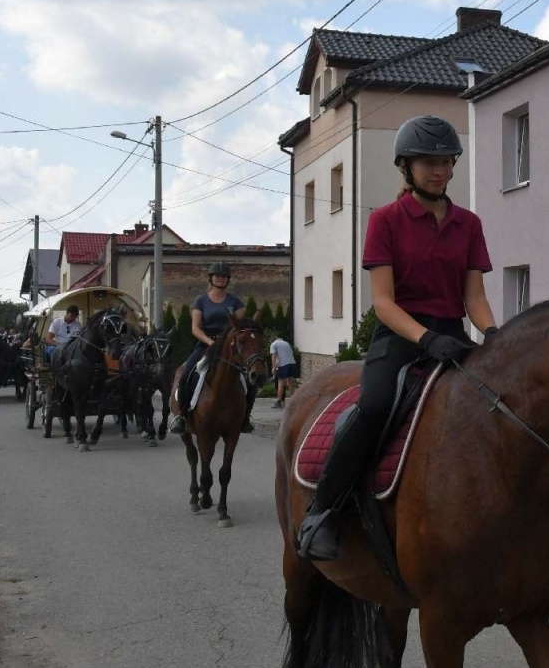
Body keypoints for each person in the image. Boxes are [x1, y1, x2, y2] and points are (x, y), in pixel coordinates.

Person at [296, 114, 501, 560]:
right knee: (372, 408)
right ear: (406, 168)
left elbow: (475, 295)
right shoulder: (386, 221)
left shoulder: (469, 224)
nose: (439, 170)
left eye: (446, 161)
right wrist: (426, 339)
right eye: (428, 162)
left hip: (453, 336)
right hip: (399, 337)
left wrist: (493, 333)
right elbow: (383, 302)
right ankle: (323, 511)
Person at [170, 263, 252, 433]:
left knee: (249, 379)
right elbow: (195, 328)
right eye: (217, 275)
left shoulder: (235, 301)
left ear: (227, 279)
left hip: (229, 347)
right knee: (186, 375)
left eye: (223, 276)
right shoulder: (201, 301)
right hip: (205, 346)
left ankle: (245, 417)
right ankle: (182, 416)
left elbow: (240, 326)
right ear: (211, 278)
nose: (220, 278)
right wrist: (211, 343)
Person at [270, 335, 298, 407]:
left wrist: (273, 367)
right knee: (290, 383)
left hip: (283, 365)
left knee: (281, 383)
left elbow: (274, 355)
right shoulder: (286, 343)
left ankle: (279, 401)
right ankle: (294, 400)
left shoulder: (274, 344)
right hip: (292, 363)